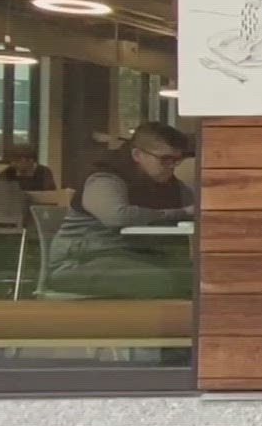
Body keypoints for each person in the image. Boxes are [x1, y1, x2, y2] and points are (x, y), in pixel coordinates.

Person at [47, 122, 195, 299]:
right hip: (80, 263)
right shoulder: (104, 178)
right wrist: (182, 213)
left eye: (176, 160)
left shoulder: (171, 185)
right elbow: (117, 216)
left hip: (133, 258)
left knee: (200, 276)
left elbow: (196, 208)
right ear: (138, 154)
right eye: (165, 159)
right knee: (167, 280)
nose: (172, 166)